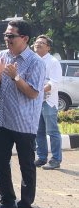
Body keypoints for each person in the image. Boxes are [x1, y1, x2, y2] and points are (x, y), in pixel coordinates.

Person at [0, 20, 46, 208]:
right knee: (1, 162)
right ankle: (8, 203)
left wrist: (16, 76)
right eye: (6, 35)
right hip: (2, 120)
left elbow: (33, 93)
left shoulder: (36, 62)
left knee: (26, 165)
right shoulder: (1, 56)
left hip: (23, 123)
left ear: (24, 39)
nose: (7, 39)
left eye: (11, 36)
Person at [33, 35, 63, 170]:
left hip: (48, 101)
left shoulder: (52, 62)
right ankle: (42, 157)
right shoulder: (33, 60)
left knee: (52, 131)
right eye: (37, 42)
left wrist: (39, 92)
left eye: (42, 43)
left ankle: (56, 159)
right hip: (35, 101)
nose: (38, 44)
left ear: (48, 47)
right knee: (38, 131)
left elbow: (54, 82)